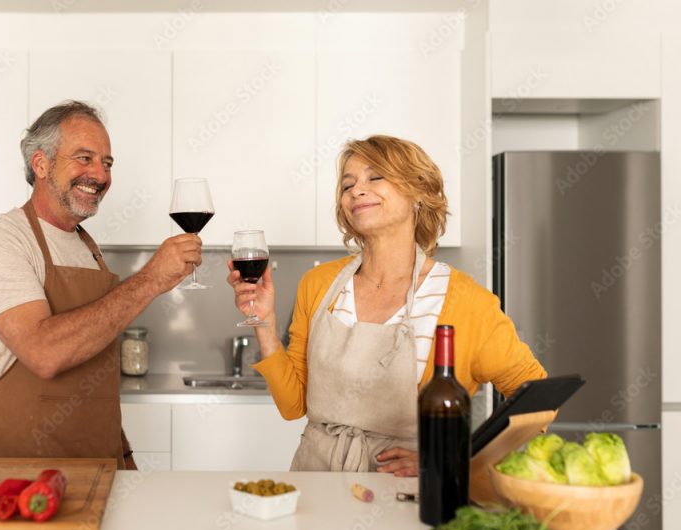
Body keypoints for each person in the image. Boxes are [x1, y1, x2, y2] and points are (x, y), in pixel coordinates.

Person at [227, 135, 546, 476]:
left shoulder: (467, 301)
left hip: (405, 495)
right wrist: (264, 324)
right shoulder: (318, 285)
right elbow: (293, 405)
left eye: (375, 177)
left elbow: (538, 401)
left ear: (418, 192)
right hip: (316, 482)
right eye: (347, 185)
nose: (356, 191)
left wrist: (455, 458)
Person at [0, 101, 201, 469]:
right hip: (21, 474)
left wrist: (122, 456)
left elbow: (95, 372)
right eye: (84, 158)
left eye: (107, 163)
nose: (100, 175)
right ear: (41, 164)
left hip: (98, 464)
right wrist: (152, 278)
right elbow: (44, 352)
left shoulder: (87, 247)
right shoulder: (3, 240)